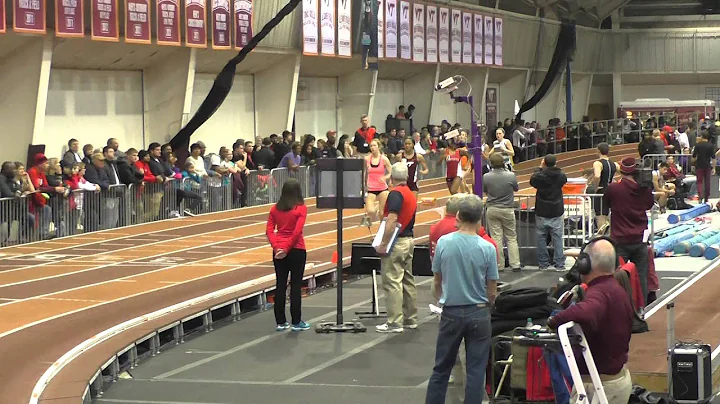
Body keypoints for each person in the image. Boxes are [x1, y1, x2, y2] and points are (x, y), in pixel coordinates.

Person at [426, 195, 498, 404]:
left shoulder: (444, 243)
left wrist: (442, 300)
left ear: (457, 215)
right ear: (479, 218)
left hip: (451, 311)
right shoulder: (487, 248)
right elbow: (491, 288)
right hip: (479, 311)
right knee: (476, 370)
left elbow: (437, 280)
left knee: (441, 368)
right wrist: (488, 304)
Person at [547, 238, 634, 404]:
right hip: (616, 381)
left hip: (599, 388)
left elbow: (585, 311)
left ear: (585, 264)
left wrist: (554, 321)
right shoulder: (616, 288)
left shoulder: (599, 293)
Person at [604, 157, 654, 306]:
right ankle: (641, 308)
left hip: (620, 239)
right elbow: (648, 205)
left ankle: (620, 306)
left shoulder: (614, 188)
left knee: (618, 276)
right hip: (639, 239)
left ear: (621, 169)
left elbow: (606, 203)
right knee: (642, 276)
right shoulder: (644, 189)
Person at [375, 162, 418, 333]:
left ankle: (394, 322)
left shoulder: (395, 194)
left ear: (391, 177)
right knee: (407, 280)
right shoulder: (410, 194)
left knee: (392, 281)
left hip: (397, 242)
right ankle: (410, 318)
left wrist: (383, 243)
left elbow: (392, 220)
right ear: (407, 177)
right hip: (409, 240)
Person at [266, 178, 310, 332]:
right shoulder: (301, 209)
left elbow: (269, 231)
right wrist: (286, 248)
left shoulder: (274, 209)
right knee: (296, 285)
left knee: (280, 284)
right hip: (296, 249)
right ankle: (296, 321)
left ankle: (280, 321)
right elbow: (297, 231)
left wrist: (277, 247)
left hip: (278, 251)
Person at [483, 153, 521, 272]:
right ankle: (515, 264)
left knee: (496, 238)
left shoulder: (486, 176)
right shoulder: (511, 175)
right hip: (507, 209)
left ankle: (499, 265)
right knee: (511, 237)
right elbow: (516, 188)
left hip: (493, 208)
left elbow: (485, 190)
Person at [530, 154, 568, 271]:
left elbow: (532, 180)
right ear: (555, 163)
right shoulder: (561, 176)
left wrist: (540, 168)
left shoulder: (540, 176)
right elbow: (564, 180)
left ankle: (543, 264)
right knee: (557, 238)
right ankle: (559, 264)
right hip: (556, 210)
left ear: (544, 163)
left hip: (542, 210)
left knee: (541, 238)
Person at [362, 139, 392, 227]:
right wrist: (363, 184)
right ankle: (376, 208)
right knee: (370, 211)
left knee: (382, 213)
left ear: (378, 147)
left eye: (374, 145)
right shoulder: (367, 159)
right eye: (371, 146)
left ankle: (381, 232)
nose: (373, 148)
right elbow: (364, 172)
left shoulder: (384, 159)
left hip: (382, 188)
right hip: (371, 188)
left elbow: (391, 171)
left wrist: (385, 177)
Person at [590, 143, 619, 229]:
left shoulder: (597, 163)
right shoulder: (615, 164)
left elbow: (597, 176)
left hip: (601, 190)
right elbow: (623, 173)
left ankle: (601, 236)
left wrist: (595, 187)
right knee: (607, 213)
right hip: (611, 190)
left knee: (600, 215)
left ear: (598, 151)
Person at [692, 131, 716, 203]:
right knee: (707, 182)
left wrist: (693, 162)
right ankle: (706, 198)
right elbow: (713, 158)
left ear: (702, 136)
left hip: (699, 165)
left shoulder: (698, 145)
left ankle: (700, 197)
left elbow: (694, 157)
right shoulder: (711, 145)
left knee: (699, 182)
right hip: (707, 165)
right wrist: (714, 167)